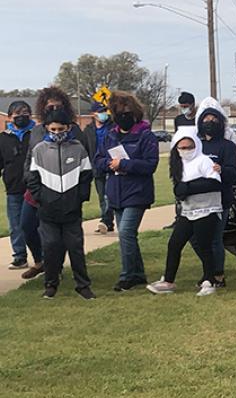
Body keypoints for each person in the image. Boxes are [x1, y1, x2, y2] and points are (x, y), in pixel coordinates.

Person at [20, 87, 91, 281]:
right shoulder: (36, 131)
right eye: (49, 106)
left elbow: (84, 162)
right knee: (26, 225)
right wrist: (34, 188)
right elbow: (29, 159)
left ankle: (55, 269)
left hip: (66, 192)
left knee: (62, 236)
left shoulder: (75, 131)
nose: (52, 109)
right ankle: (41, 261)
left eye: (57, 106)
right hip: (38, 189)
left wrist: (79, 194)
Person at [146, 128, 224, 296]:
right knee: (175, 243)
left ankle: (209, 281)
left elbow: (214, 183)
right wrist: (182, 190)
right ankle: (168, 280)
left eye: (189, 147)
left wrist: (189, 187)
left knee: (204, 245)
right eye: (182, 148)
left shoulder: (204, 161)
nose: (186, 151)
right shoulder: (178, 164)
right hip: (188, 211)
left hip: (206, 209)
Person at [94, 91, 159, 292]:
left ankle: (127, 275)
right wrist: (109, 164)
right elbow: (98, 160)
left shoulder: (146, 136)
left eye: (127, 112)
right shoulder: (110, 136)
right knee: (128, 235)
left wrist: (125, 164)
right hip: (116, 192)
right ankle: (138, 273)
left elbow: (150, 164)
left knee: (126, 233)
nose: (124, 116)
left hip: (137, 192)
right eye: (119, 112)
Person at [194, 97, 236, 283]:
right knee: (195, 238)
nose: (209, 123)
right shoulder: (196, 146)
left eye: (214, 119)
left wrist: (221, 169)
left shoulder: (228, 146)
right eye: (206, 119)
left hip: (220, 200)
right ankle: (209, 270)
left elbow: (234, 172)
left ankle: (217, 275)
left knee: (214, 238)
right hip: (196, 198)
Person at [1, 101, 42, 270]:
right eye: (16, 114)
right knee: (15, 224)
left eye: (24, 112)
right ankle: (19, 256)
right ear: (10, 117)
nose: (21, 116)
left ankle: (42, 257)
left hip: (34, 187)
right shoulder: (4, 138)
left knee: (36, 224)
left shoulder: (37, 134)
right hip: (13, 187)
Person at [83, 98, 115, 234]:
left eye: (105, 111)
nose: (104, 114)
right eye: (100, 112)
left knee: (109, 195)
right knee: (102, 196)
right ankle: (108, 222)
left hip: (110, 164)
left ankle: (105, 220)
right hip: (96, 166)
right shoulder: (88, 130)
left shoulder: (113, 127)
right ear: (93, 114)